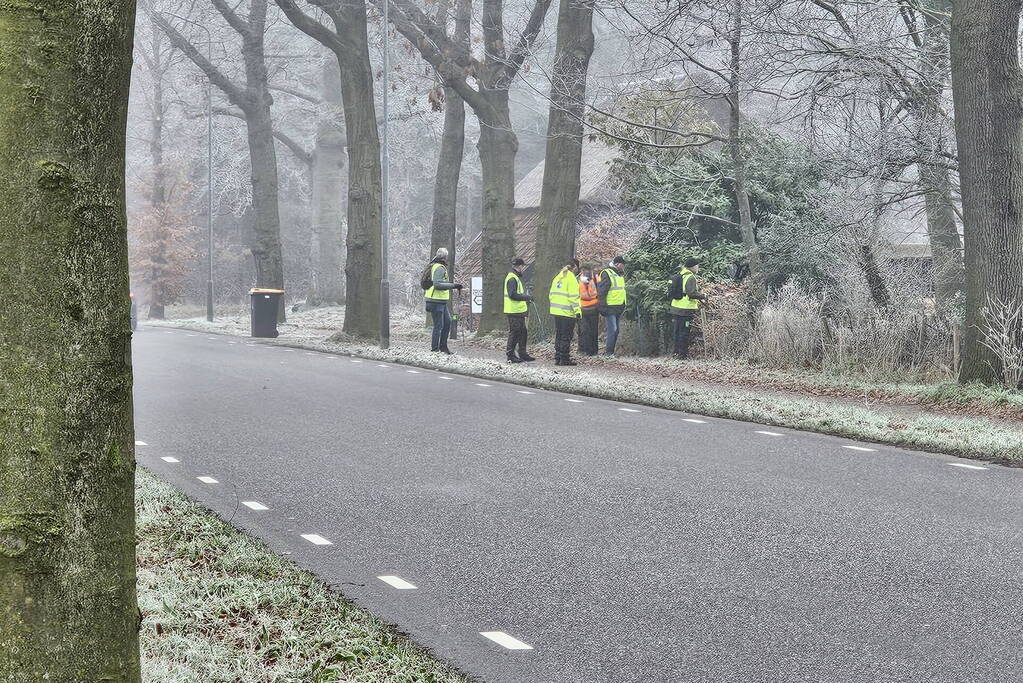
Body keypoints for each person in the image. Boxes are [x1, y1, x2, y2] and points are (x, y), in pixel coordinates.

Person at [423, 247, 462, 354]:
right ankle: (435, 350)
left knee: (447, 322)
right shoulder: (439, 268)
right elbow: (437, 284)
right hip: (435, 301)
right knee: (438, 326)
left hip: (440, 301)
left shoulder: (435, 266)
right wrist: (454, 285)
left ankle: (443, 347)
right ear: (445, 257)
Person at [669, 257, 708, 359]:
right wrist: (703, 296)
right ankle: (682, 355)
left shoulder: (681, 275)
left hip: (675, 308)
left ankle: (675, 353)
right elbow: (691, 293)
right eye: (697, 265)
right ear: (693, 267)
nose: (698, 267)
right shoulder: (691, 277)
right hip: (685, 310)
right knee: (684, 332)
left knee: (676, 331)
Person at [549, 258, 582, 366]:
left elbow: (551, 294)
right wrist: (577, 311)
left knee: (559, 334)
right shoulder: (571, 278)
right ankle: (564, 358)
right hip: (567, 312)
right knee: (566, 336)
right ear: (575, 267)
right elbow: (574, 297)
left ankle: (558, 357)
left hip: (556, 310)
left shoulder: (558, 277)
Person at [505, 258, 536, 363]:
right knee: (515, 333)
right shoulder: (512, 278)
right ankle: (510, 355)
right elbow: (512, 295)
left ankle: (522, 353)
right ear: (519, 266)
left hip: (518, 311)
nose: (523, 268)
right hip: (513, 311)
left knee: (523, 332)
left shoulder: (515, 277)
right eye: (523, 266)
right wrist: (526, 297)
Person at [596, 255, 627, 357]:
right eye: (622, 265)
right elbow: (601, 291)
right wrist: (602, 306)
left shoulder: (619, 274)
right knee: (612, 329)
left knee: (616, 330)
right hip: (610, 307)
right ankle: (609, 352)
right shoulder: (606, 273)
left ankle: (611, 351)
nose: (623, 267)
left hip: (618, 306)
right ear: (617, 264)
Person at [578, 265, 599, 355]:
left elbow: (601, 288)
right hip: (584, 308)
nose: (587, 272)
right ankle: (586, 350)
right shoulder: (578, 280)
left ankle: (592, 350)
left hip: (593, 308)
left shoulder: (595, 278)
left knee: (592, 331)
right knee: (585, 331)